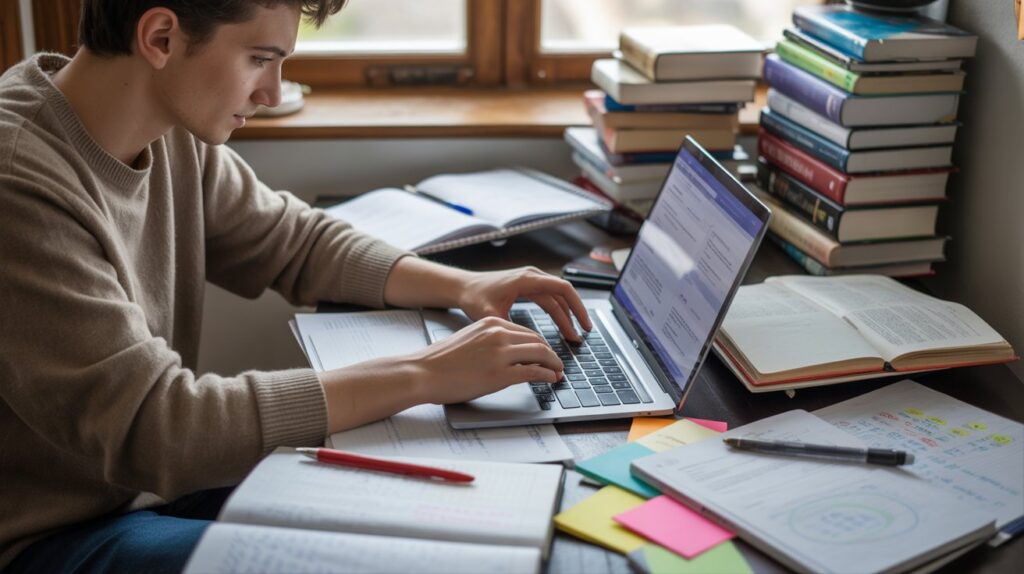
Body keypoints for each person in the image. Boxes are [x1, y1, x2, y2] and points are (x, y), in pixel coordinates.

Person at [0, 1, 592, 571]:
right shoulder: (19, 180)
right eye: (260, 58)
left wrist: (464, 287)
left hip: (143, 493)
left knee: (430, 516)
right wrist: (427, 374)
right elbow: (159, 427)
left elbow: (295, 241)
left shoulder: (166, 125)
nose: (272, 93)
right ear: (160, 38)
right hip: (50, 534)